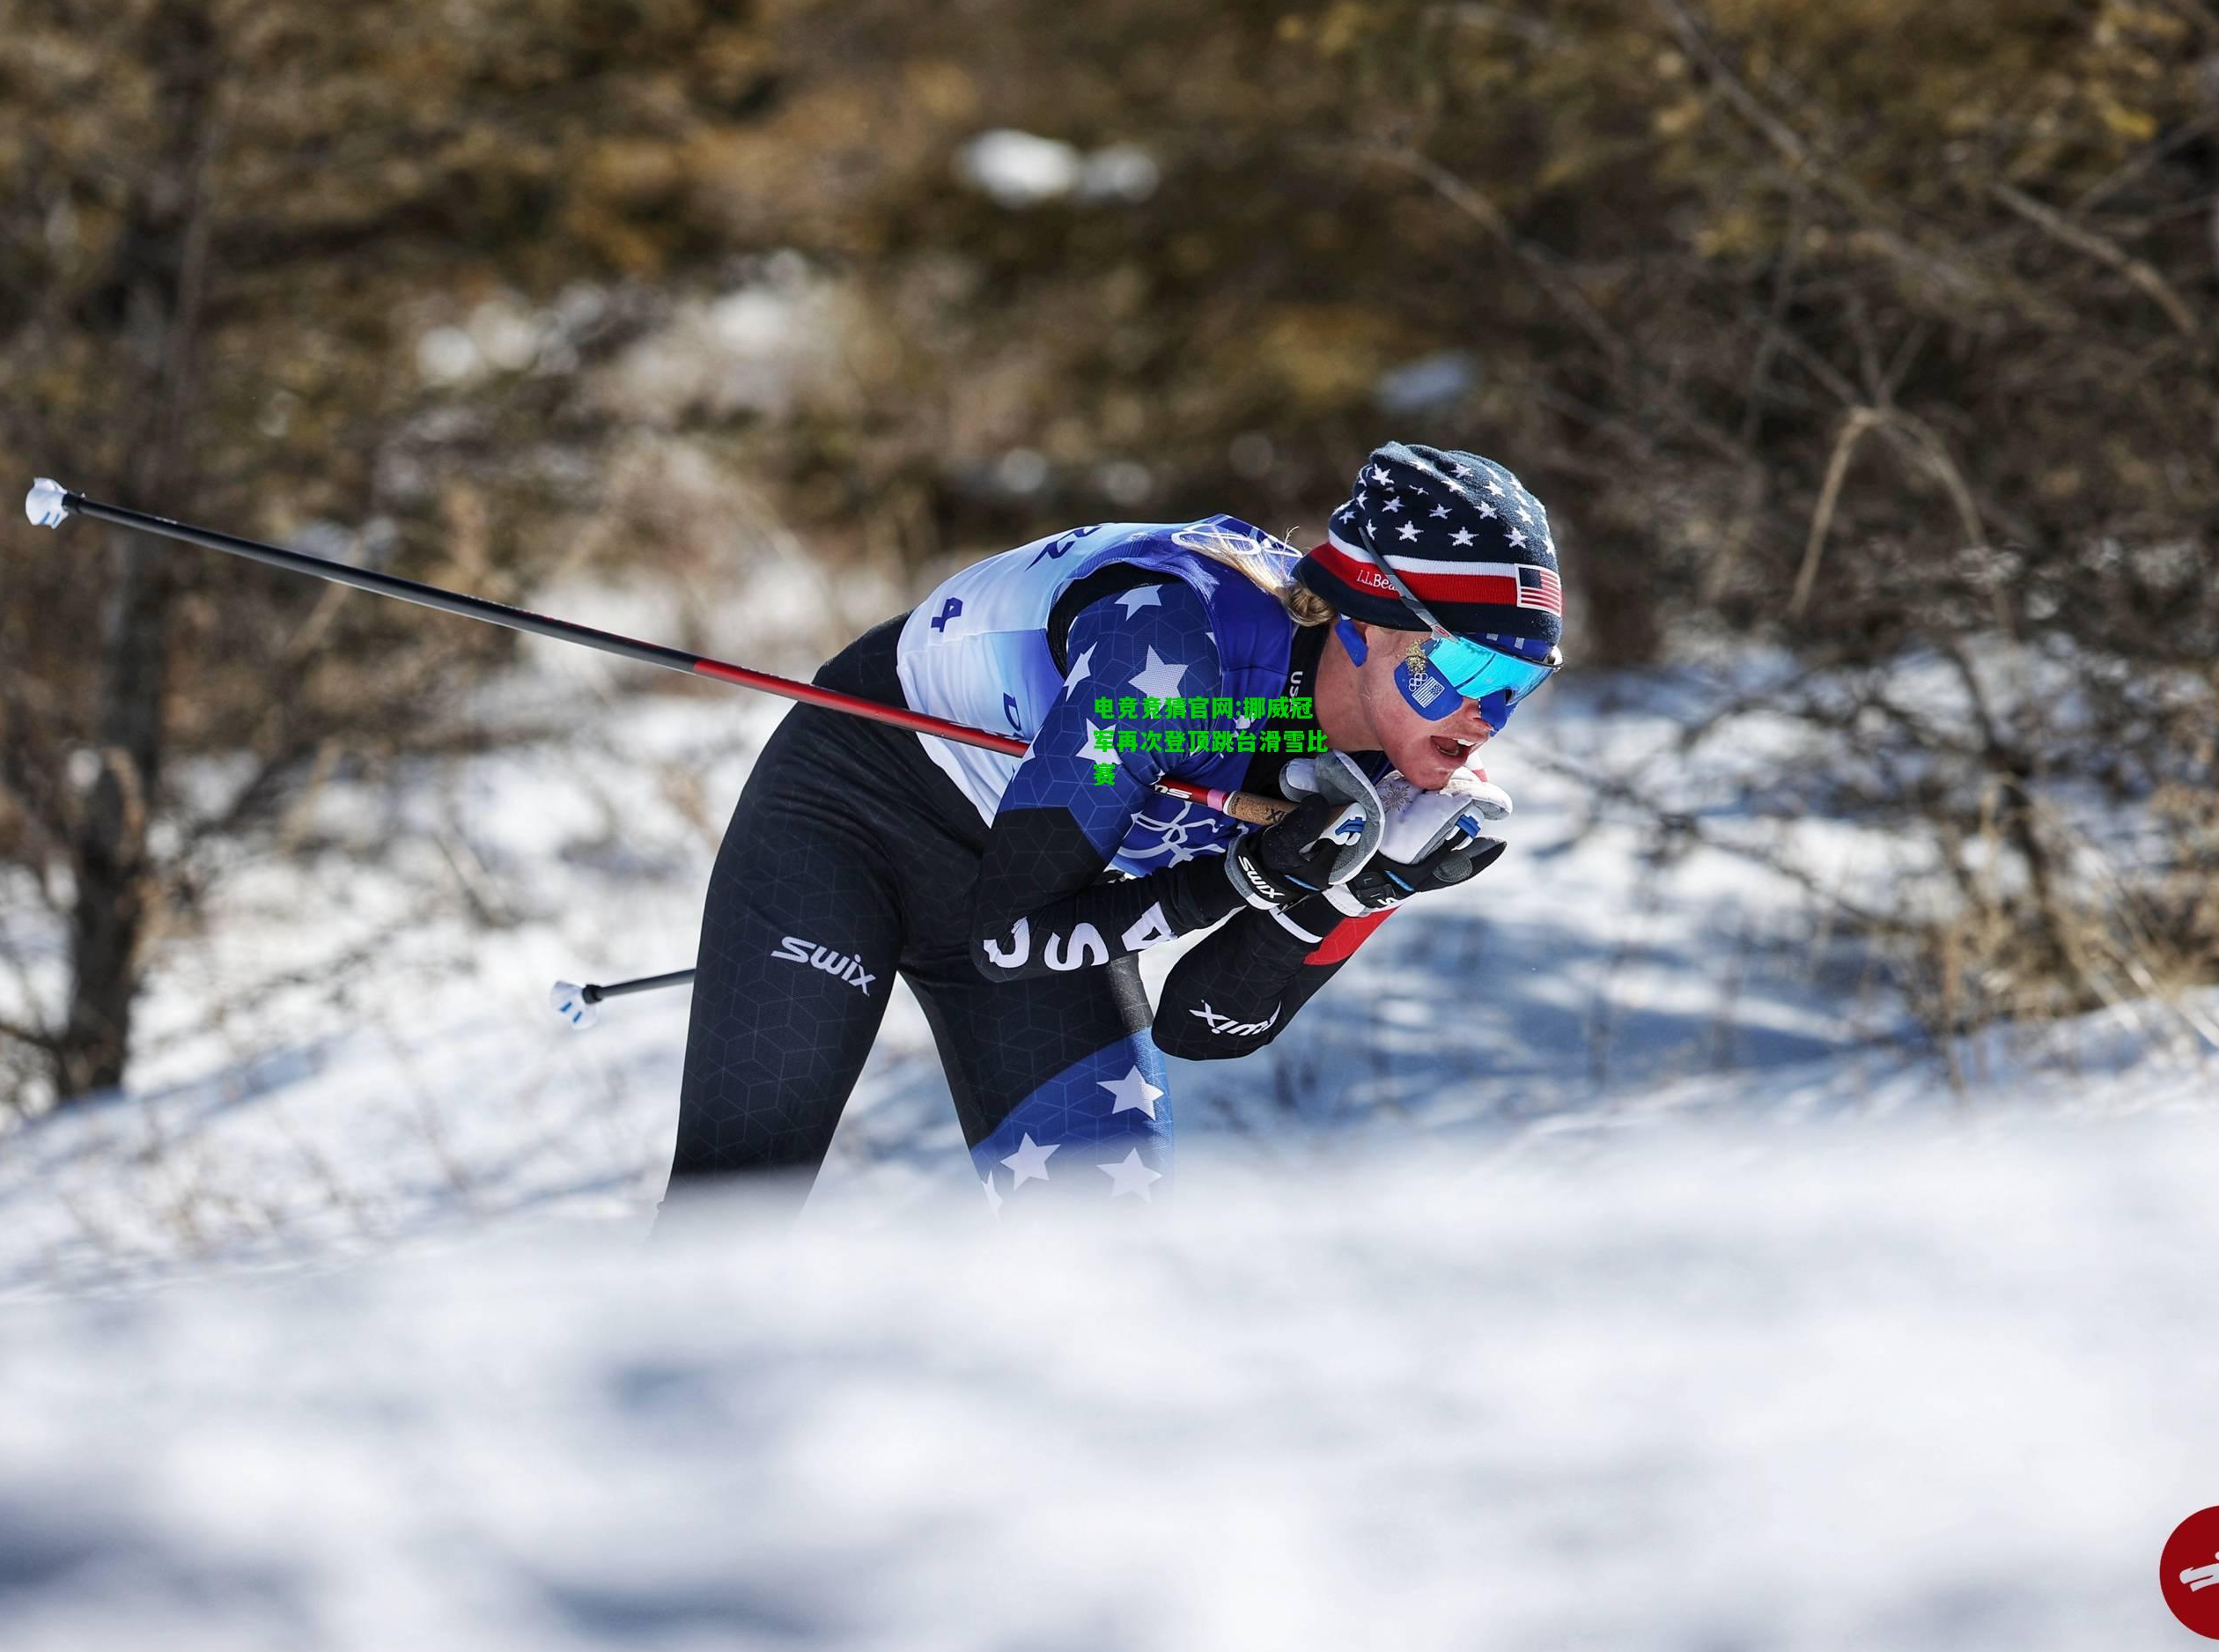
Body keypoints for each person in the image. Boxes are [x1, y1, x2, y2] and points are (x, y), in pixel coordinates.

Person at [663, 441, 1566, 1210]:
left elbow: (1205, 1024)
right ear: (1364, 622)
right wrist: (1244, 878)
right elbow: (1015, 937)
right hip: (857, 816)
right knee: (736, 1206)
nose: (1482, 713)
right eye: (1458, 663)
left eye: (1515, 682)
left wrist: (1366, 886)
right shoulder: (1172, 647)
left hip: (1048, 888)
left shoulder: (1399, 766)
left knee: (1102, 1239)